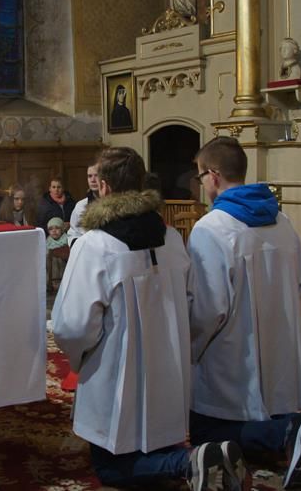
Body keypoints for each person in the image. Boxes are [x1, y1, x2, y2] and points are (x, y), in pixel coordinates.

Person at [52, 146, 247, 489]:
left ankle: (189, 462)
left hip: (115, 375)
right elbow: (191, 300)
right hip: (168, 370)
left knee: (111, 468)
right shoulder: (170, 238)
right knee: (157, 439)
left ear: (104, 187)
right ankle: (189, 456)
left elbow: (72, 325)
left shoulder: (95, 245)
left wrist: (82, 357)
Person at [187, 137, 301, 488]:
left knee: (204, 431)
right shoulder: (281, 219)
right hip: (280, 347)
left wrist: (190, 351)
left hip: (233, 354)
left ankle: (289, 433)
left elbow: (209, 310)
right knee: (268, 406)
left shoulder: (211, 228)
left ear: (213, 175)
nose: (202, 185)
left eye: (200, 177)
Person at [67, 164, 100, 244]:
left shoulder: (115, 204)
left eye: (96, 175)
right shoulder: (80, 205)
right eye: (89, 176)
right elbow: (73, 232)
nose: (93, 180)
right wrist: (76, 244)